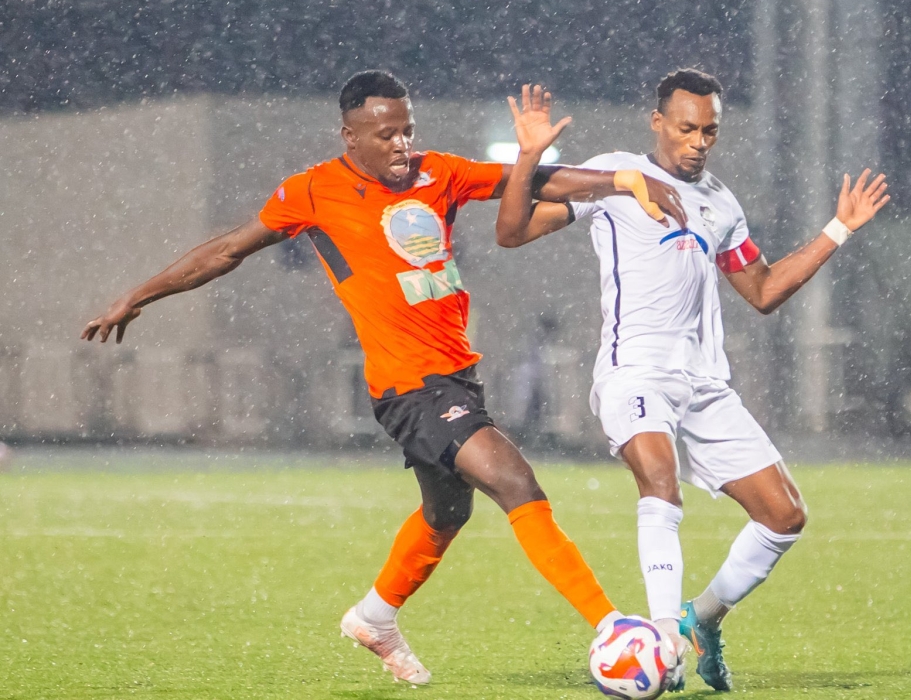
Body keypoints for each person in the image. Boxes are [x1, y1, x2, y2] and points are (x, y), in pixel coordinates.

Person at [81, 71, 688, 686]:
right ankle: (612, 627)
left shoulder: (438, 173)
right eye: (385, 134)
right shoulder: (313, 191)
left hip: (455, 375)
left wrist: (618, 181)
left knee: (446, 513)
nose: (401, 145)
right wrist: (139, 295)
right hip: (409, 386)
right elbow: (226, 251)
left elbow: (526, 180)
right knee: (515, 482)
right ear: (350, 137)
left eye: (407, 131)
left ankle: (375, 616)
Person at [494, 68, 890, 691]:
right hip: (635, 372)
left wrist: (837, 230)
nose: (698, 141)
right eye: (685, 128)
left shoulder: (721, 203)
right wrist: (528, 157)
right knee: (660, 481)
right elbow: (511, 232)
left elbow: (762, 291)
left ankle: (699, 618)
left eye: (709, 130)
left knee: (784, 517)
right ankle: (661, 638)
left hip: (704, 384)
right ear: (658, 122)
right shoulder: (615, 175)